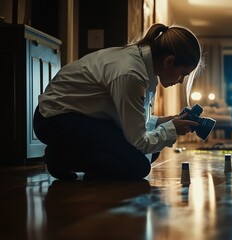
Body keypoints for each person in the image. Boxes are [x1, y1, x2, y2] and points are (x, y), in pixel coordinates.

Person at [33, 23, 204, 180]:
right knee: (138, 166)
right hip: (54, 119)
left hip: (82, 117)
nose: (181, 80)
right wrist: (172, 128)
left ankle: (79, 160)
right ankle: (60, 158)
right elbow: (139, 141)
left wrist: (164, 121)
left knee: (152, 153)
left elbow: (129, 118)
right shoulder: (132, 74)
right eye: (183, 73)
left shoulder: (145, 68)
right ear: (169, 61)